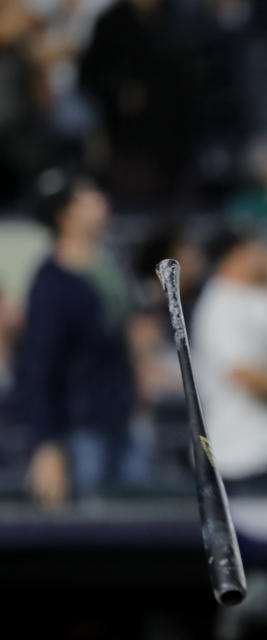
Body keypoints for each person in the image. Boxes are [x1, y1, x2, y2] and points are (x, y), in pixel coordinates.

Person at [18, 170, 142, 507]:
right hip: (81, 430)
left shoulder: (107, 268)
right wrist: (47, 445)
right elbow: (38, 368)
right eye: (89, 198)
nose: (102, 203)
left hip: (122, 421)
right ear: (67, 215)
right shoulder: (51, 282)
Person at [191, 228, 267, 486]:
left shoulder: (263, 296)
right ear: (238, 254)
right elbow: (243, 374)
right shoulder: (220, 304)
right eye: (258, 248)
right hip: (244, 455)